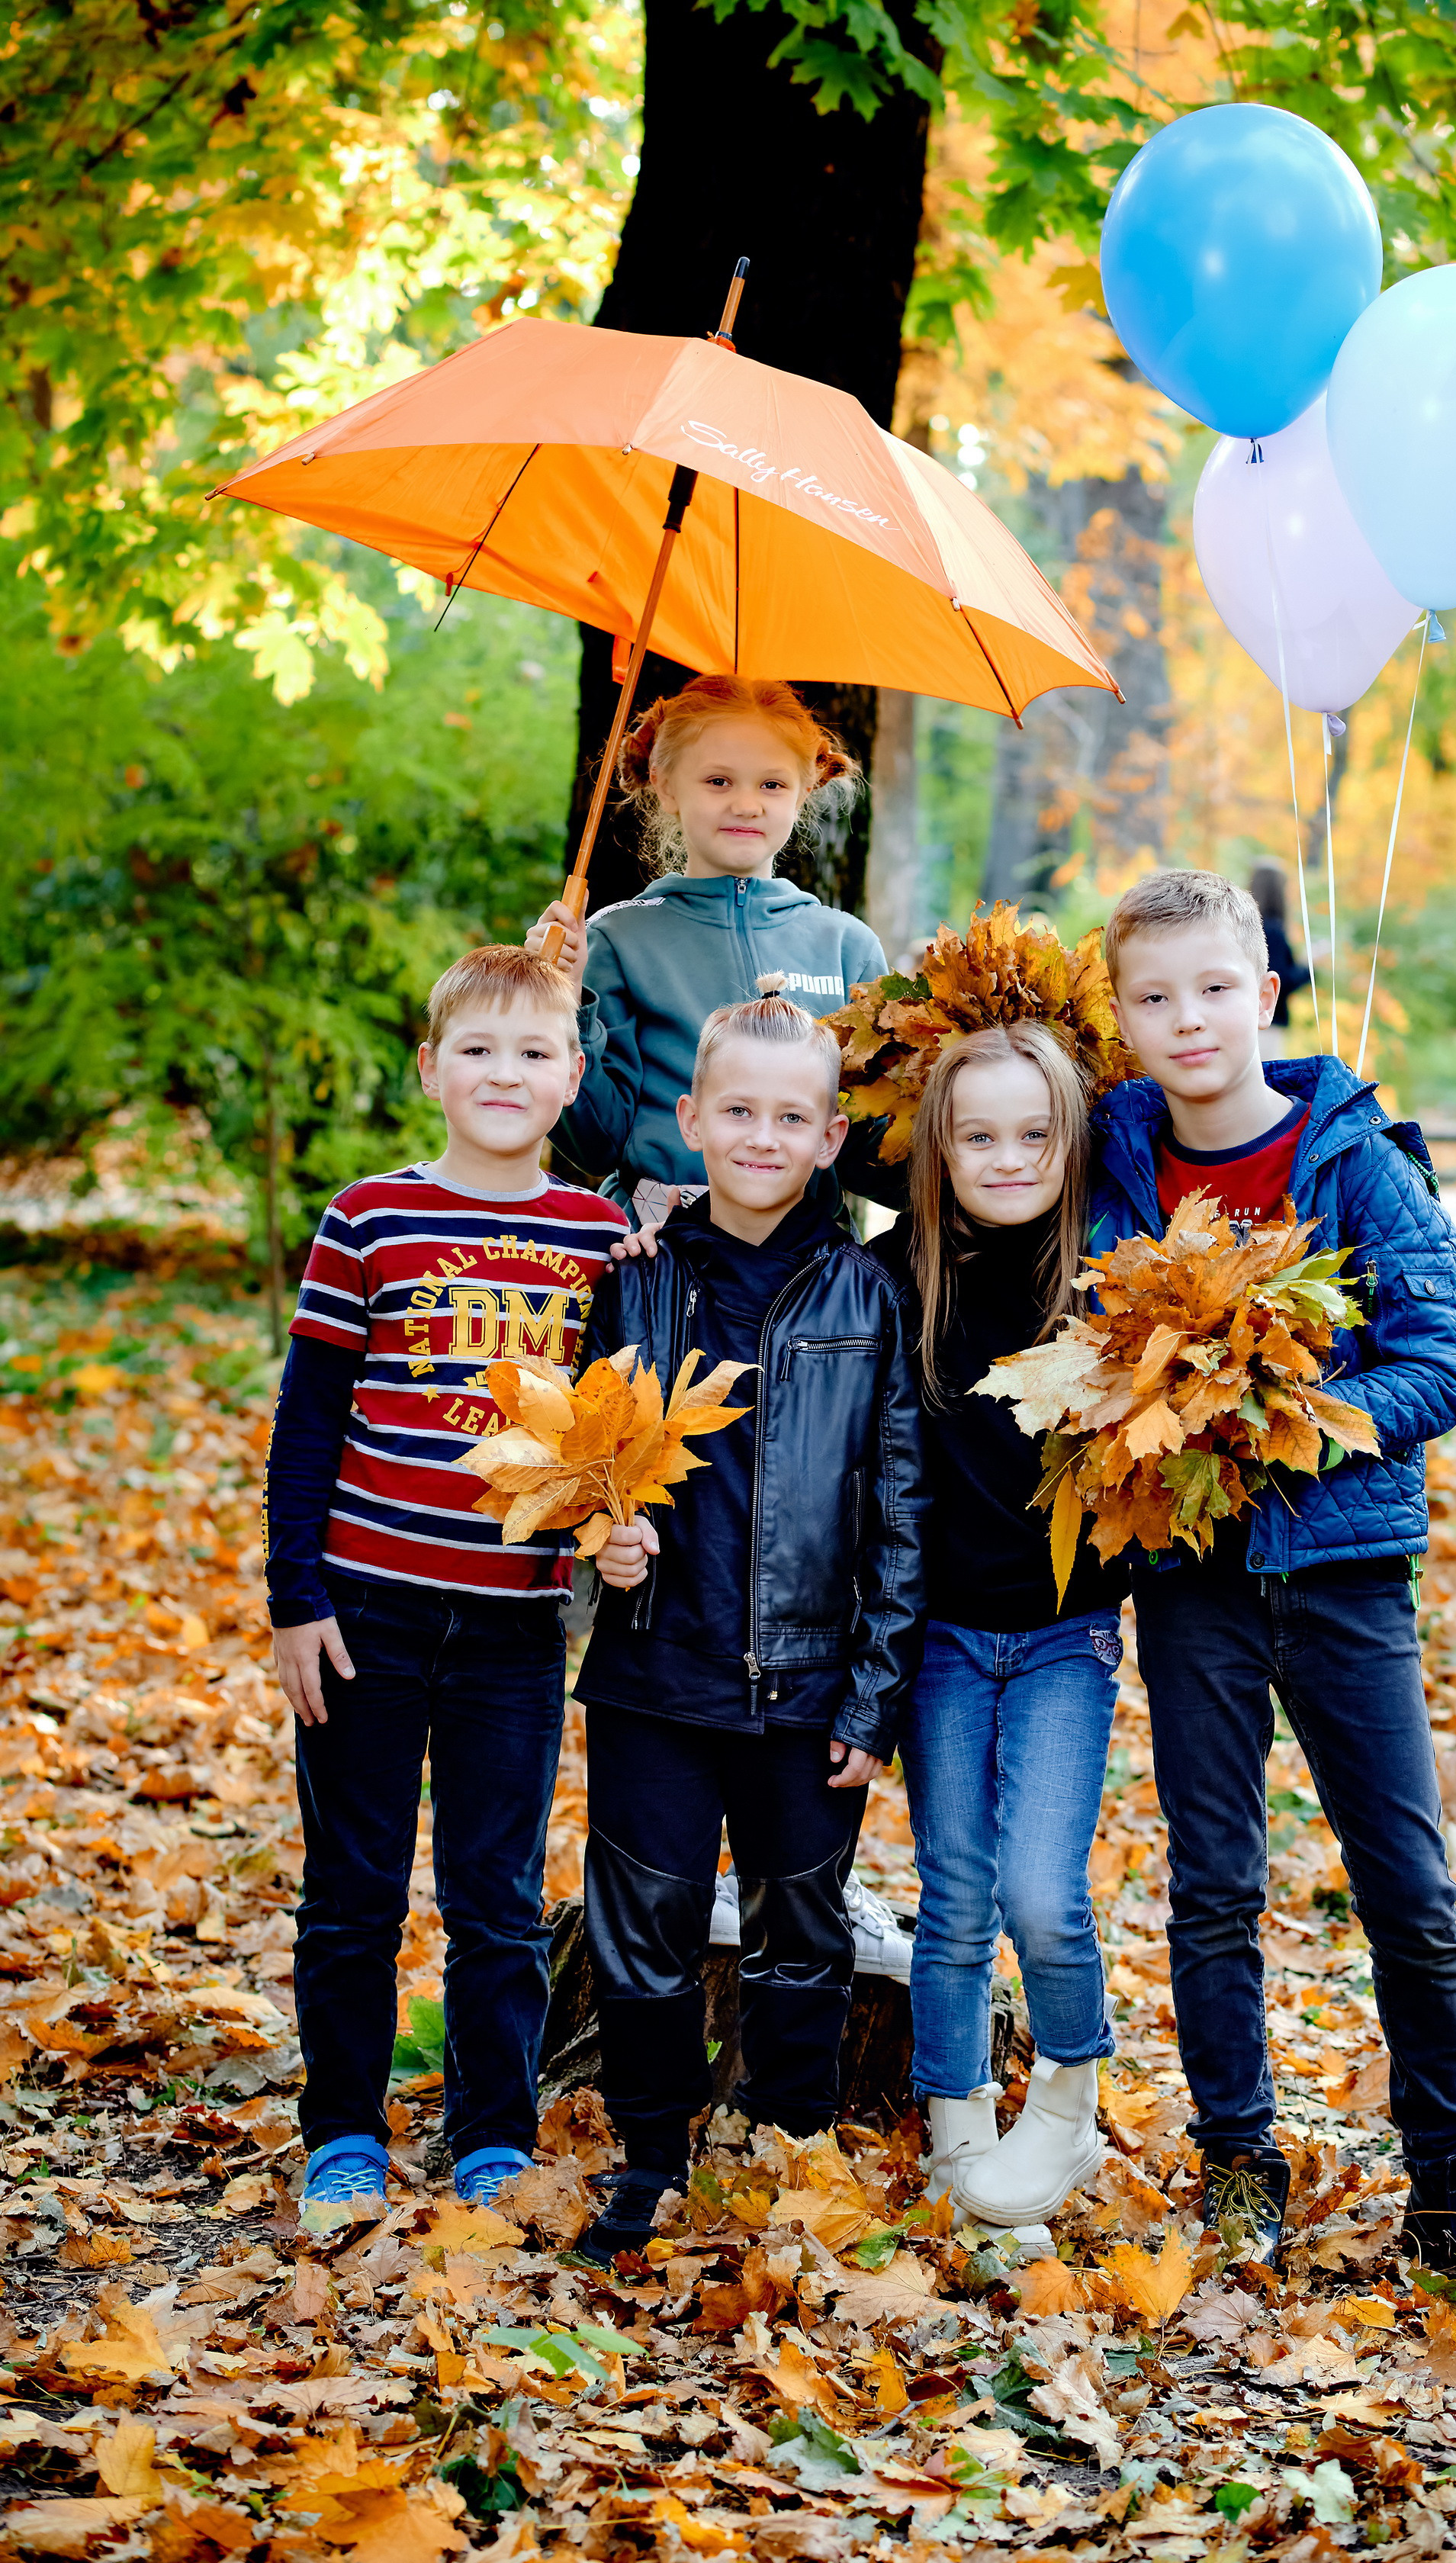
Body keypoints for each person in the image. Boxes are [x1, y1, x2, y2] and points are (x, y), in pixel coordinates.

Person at [1088, 869, 1456, 2275]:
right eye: (1155, 998)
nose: (1190, 1019)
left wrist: (1302, 1425)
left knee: (1402, 1876)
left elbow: (1440, 1364)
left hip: (1343, 1564)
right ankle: (1239, 2158)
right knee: (1215, 1877)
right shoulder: (1105, 1153)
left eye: (1216, 989)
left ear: (1265, 994)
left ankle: (1454, 2168)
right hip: (1192, 1574)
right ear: (1122, 1018)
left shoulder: (1353, 1158)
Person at [267, 947, 627, 2225]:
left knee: (496, 1897)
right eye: (478, 1049)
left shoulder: (599, 1240)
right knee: (353, 1892)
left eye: (536, 1053)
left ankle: (490, 2132)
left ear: (571, 1079)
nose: (505, 1073)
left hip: (516, 1627)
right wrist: (293, 1601)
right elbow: (308, 1423)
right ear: (431, 1068)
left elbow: (617, 1431)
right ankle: (343, 2131)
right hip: (364, 1609)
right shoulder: (367, 1219)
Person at [571, 981, 927, 2266]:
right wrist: (598, 1532)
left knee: (801, 1938)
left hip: (808, 1684)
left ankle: (789, 2146)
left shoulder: (866, 1297)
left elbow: (899, 1513)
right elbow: (578, 1450)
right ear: (692, 1121)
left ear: (832, 1137)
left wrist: (875, 1699)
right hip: (655, 1673)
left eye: (792, 1117)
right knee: (645, 1928)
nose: (764, 1138)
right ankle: (652, 2153)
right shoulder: (640, 1277)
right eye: (739, 1112)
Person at [869, 1025, 1128, 2229]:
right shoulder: (899, 1277)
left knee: (1041, 1889)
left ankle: (1070, 2106)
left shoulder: (1111, 1279)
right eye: (979, 1136)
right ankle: (956, 2127)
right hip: (942, 1642)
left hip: (1066, 1636)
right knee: (956, 1893)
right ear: (938, 1149)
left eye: (1034, 1133)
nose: (1008, 1156)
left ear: (1072, 1140)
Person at [526, 674, 892, 1225]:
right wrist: (562, 1006)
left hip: (809, 1267)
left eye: (772, 785)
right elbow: (597, 1141)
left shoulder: (847, 947)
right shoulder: (616, 941)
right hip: (658, 1256)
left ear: (804, 790)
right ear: (667, 786)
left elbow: (874, 1155)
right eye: (719, 781)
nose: (746, 804)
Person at [1248, 860, 1311, 1061]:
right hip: (1267, 1022)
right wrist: (1308, 967)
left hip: (1250, 1019)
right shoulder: (1272, 930)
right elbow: (1279, 979)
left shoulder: (1247, 928)